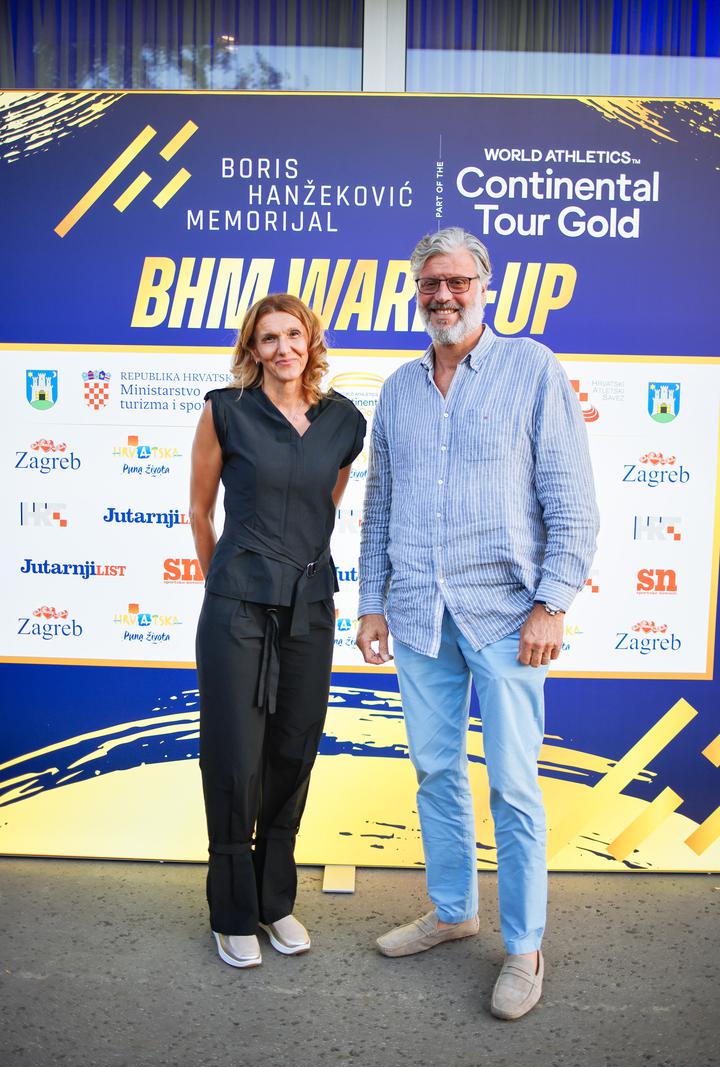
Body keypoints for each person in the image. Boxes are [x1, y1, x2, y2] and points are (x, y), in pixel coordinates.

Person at [356, 226, 599, 1019]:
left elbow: (573, 500)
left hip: (506, 617)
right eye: (430, 283)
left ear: (483, 287)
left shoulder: (532, 369)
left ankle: (525, 949)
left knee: (515, 788)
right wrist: (371, 602)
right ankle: (454, 910)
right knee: (435, 771)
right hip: (419, 617)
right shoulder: (399, 389)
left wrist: (552, 604)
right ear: (417, 292)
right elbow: (379, 507)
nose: (443, 296)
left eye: (457, 281)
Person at [191, 293, 366, 969]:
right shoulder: (225, 411)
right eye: (269, 338)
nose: (284, 348)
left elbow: (324, 506)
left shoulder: (344, 421)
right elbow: (200, 511)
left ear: (311, 341)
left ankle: (275, 902)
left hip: (310, 609)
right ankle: (233, 912)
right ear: (253, 350)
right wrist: (226, 583)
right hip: (236, 609)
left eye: (294, 334)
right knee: (235, 759)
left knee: (293, 754)